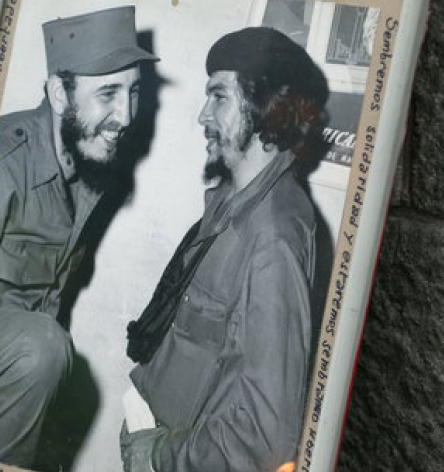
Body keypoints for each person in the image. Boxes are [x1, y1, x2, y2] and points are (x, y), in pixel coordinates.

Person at [0, 6, 158, 468]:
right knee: (43, 347)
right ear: (60, 93)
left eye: (134, 91)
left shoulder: (93, 167)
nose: (126, 115)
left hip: (12, 354)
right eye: (108, 93)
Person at [122, 27, 329, 472]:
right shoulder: (230, 202)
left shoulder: (274, 239)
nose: (202, 115)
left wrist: (156, 455)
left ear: (262, 105)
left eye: (219, 97)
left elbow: (264, 438)